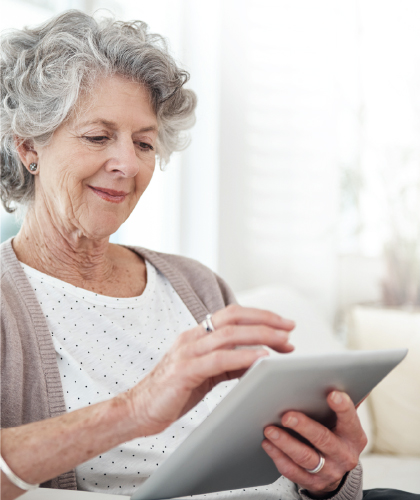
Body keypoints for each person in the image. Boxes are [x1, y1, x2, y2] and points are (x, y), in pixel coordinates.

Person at [0, 9, 384, 500]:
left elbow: (264, 450)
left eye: (143, 143)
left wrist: (326, 478)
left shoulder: (195, 284)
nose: (126, 164)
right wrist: (135, 409)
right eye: (98, 136)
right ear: (28, 147)